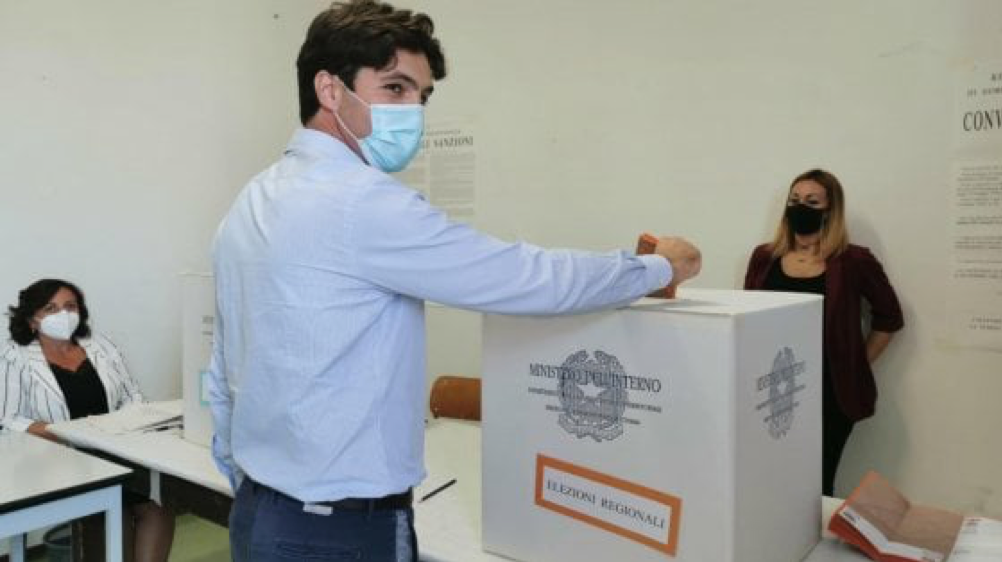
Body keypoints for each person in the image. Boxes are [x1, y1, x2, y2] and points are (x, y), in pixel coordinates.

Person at [207, 1, 701, 560]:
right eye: (395, 88)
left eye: (421, 96)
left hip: (258, 512)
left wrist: (251, 485)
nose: (413, 111)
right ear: (329, 89)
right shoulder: (362, 203)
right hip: (341, 530)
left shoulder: (250, 201)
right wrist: (656, 268)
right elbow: (524, 277)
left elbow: (223, 370)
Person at [743, 169, 904, 496]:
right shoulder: (764, 257)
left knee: (817, 480)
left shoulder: (854, 260)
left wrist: (856, 364)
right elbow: (748, 314)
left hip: (831, 392)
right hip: (774, 389)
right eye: (794, 200)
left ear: (831, 209)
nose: (800, 207)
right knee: (772, 476)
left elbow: (890, 318)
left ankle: (814, 530)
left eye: (812, 201)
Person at [1, 279, 175, 562]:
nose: (63, 314)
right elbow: (8, 421)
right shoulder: (15, 357)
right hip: (58, 458)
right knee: (112, 513)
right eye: (51, 308)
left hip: (116, 448)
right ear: (32, 320)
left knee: (157, 507)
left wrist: (124, 426)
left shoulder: (100, 345)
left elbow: (132, 396)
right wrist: (66, 433)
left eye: (70, 306)